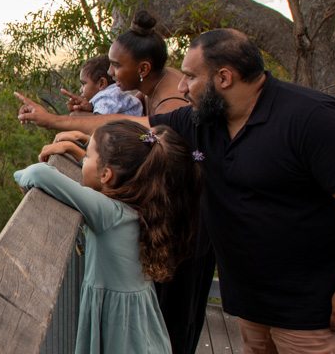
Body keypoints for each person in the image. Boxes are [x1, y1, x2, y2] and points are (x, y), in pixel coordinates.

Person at [14, 28, 335, 353]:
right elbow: (136, 125)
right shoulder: (203, 121)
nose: (180, 86)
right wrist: (63, 127)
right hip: (252, 300)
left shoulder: (315, 120)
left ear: (224, 77)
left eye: (190, 76)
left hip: (315, 305)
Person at [16, 120, 201, 354]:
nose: (84, 162)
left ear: (106, 174)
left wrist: (21, 177)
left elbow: (38, 173)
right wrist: (78, 151)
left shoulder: (108, 212)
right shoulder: (142, 204)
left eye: (89, 157)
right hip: (139, 327)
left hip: (120, 331)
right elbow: (94, 175)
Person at [64, 55, 143, 116]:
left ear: (102, 83)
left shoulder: (107, 96)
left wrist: (77, 116)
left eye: (84, 84)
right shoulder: (114, 93)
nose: (81, 90)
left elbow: (99, 121)